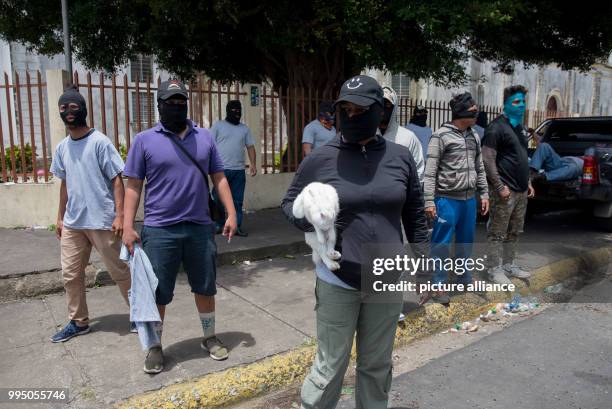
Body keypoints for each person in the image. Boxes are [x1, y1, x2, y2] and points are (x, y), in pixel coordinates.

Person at [282, 75, 428, 409]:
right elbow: (289, 204)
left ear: (379, 113)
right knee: (330, 366)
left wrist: (424, 269)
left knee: (376, 366)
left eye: (360, 109)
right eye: (344, 109)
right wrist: (312, 220)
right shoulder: (321, 158)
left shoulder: (400, 157)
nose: (351, 115)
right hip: (338, 279)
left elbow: (416, 217)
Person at [122, 79, 237, 374]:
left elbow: (219, 177)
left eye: (180, 101)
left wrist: (232, 213)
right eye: (169, 102)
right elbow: (133, 186)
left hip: (200, 227)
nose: (175, 106)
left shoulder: (205, 137)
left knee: (205, 286)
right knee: (159, 293)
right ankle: (156, 346)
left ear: (187, 103)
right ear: (159, 104)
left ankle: (209, 336)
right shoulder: (144, 140)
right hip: (160, 230)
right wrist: (127, 225)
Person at [49, 85, 131, 343]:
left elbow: (117, 180)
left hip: (102, 220)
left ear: (82, 109)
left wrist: (119, 215)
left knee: (119, 271)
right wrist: (60, 216)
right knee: (71, 274)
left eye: (73, 107)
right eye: (63, 108)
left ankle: (143, 315)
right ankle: (79, 321)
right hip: (74, 223)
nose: (68, 112)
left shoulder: (100, 142)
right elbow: (65, 183)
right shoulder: (62, 147)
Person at [423, 92, 489, 302]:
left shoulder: (474, 135)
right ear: (460, 113)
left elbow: (479, 167)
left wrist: (484, 193)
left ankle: (464, 278)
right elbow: (430, 171)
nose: (476, 114)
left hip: (469, 200)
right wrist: (429, 201)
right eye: (472, 111)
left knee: (466, 242)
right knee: (441, 243)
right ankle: (438, 285)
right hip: (446, 200)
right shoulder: (440, 136)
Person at [482, 85, 535, 284]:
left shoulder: (519, 128)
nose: (521, 105)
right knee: (497, 232)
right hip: (504, 191)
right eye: (516, 102)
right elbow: (487, 159)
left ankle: (509, 265)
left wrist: (528, 181)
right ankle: (494, 270)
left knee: (515, 231)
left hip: (521, 191)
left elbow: (520, 157)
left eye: (523, 101)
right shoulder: (496, 128)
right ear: (505, 104)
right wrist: (499, 186)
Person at [210, 100, 257, 237]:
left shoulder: (244, 129)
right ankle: (218, 224)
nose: (237, 113)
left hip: (238, 171)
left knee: (237, 200)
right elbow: (209, 145)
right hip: (220, 170)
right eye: (234, 111)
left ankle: (236, 226)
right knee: (217, 198)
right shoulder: (218, 126)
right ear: (228, 111)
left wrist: (253, 164)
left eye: (239, 111)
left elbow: (250, 147)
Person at [380, 86, 425, 181]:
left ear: (394, 107)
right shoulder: (366, 136)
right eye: (380, 104)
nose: (383, 110)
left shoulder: (408, 137)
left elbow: (418, 171)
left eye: (387, 105)